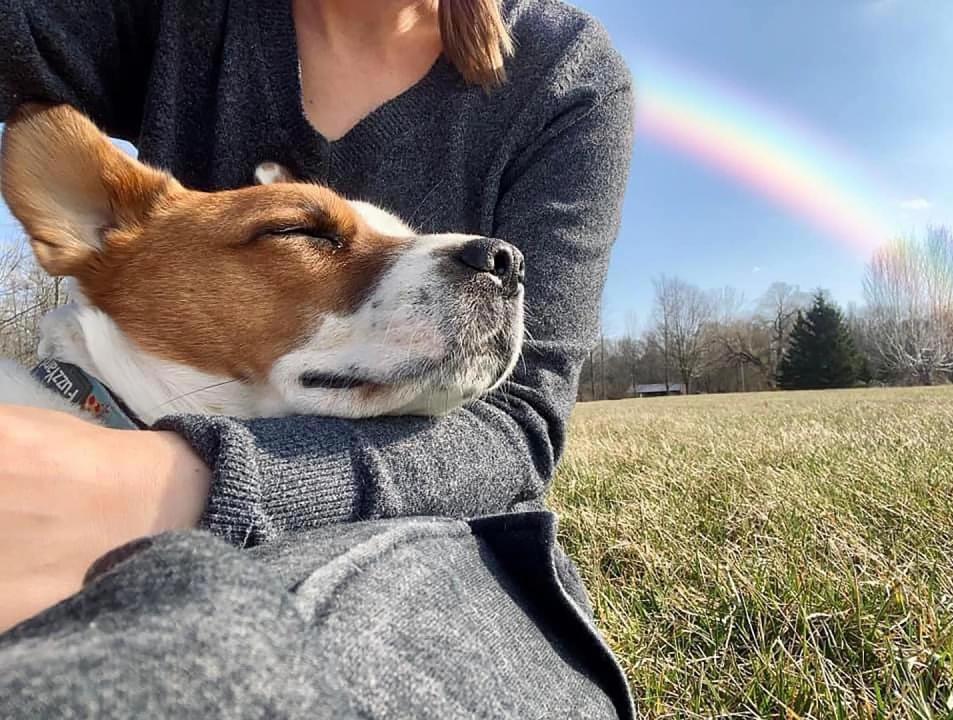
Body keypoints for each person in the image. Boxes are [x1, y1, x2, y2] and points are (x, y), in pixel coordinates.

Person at [0, 0, 635, 716]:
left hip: (431, 539)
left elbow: (519, 422)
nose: (489, 264)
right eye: (310, 235)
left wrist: (171, 484)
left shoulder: (564, 69)